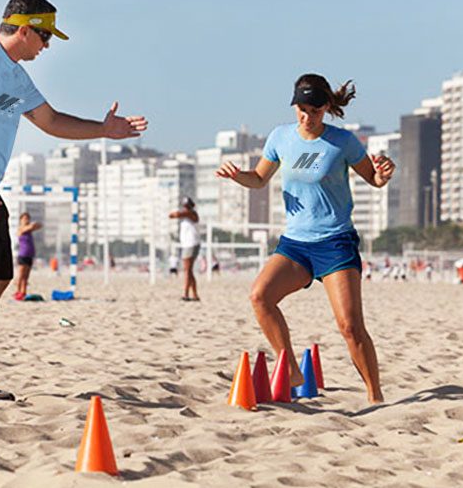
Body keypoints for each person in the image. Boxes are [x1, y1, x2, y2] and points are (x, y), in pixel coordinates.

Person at [0, 0, 148, 402]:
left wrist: (104, 129)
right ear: (26, 29)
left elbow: (50, 121)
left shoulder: (15, 76)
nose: (47, 47)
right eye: (45, 38)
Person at [216, 73, 394, 404]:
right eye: (300, 108)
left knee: (350, 327)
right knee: (260, 297)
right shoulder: (280, 137)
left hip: (335, 242)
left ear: (326, 107)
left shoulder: (343, 142)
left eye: (313, 109)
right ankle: (293, 370)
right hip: (295, 244)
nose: (305, 116)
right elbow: (258, 179)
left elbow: (374, 180)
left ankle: (375, 395)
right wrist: (236, 176)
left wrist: (383, 174)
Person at [169, 196, 201, 301]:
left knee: (187, 270)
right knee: (189, 271)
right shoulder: (186, 216)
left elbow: (175, 214)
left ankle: (186, 294)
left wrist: (178, 212)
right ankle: (194, 294)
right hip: (187, 244)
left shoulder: (192, 214)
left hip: (191, 244)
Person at [14, 212, 41, 300]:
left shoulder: (29, 230)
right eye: (24, 218)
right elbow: (30, 227)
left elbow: (39, 225)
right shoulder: (21, 229)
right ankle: (17, 292)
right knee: (21, 276)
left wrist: (34, 225)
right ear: (21, 220)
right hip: (23, 255)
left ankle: (23, 292)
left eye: (27, 218)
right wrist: (32, 225)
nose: (26, 220)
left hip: (30, 255)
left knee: (26, 277)